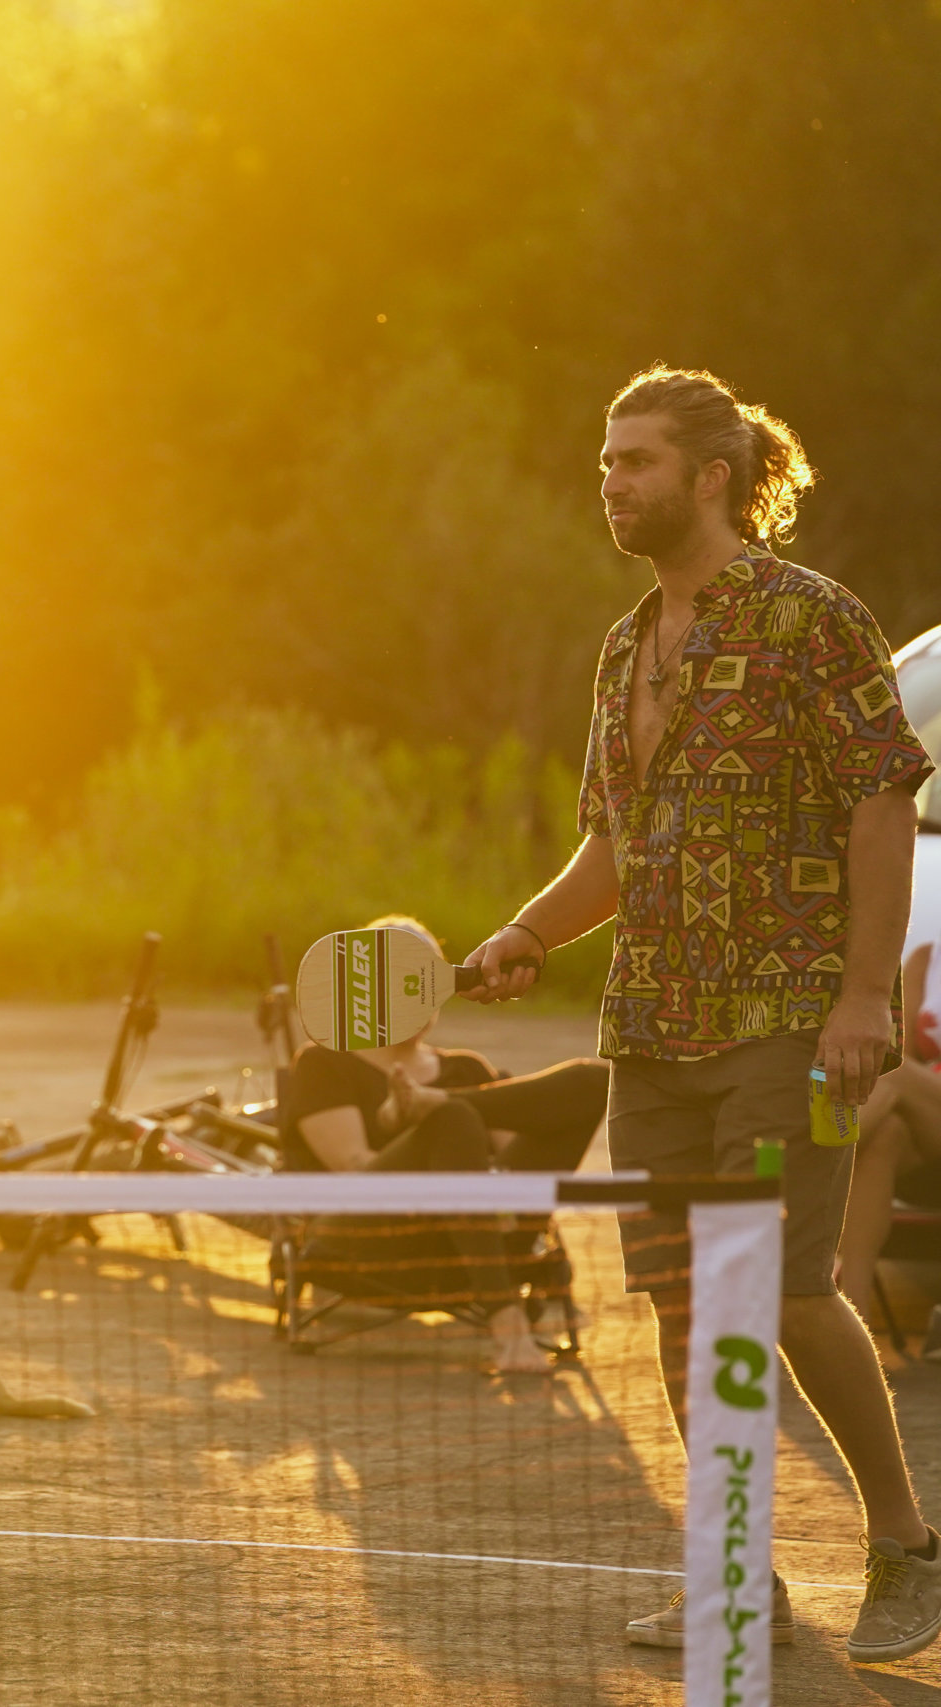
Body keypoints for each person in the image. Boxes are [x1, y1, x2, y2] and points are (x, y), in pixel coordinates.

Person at [465, 366, 939, 1661]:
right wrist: (526, 931)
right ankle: (738, 1572)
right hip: (652, 1035)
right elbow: (614, 846)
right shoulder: (626, 647)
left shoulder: (811, 621)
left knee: (778, 1288)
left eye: (637, 463)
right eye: (607, 461)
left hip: (789, 1023)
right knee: (683, 1305)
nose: (610, 483)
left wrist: (861, 994)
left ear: (712, 476)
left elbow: (882, 799)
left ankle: (905, 1543)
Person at [282, 915, 608, 1374]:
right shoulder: (325, 1064)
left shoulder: (467, 1069)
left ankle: (436, 1104)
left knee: (592, 1081)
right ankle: (508, 1325)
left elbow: (518, 1161)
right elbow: (354, 1167)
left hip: (481, 1236)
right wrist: (405, 1122)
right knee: (451, 1118)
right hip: (372, 1238)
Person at [836, 921, 941, 1337]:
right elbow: (905, 1052)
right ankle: (854, 1326)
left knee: (891, 1076)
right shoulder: (927, 961)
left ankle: (797, 1163)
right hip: (929, 1133)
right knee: (886, 1135)